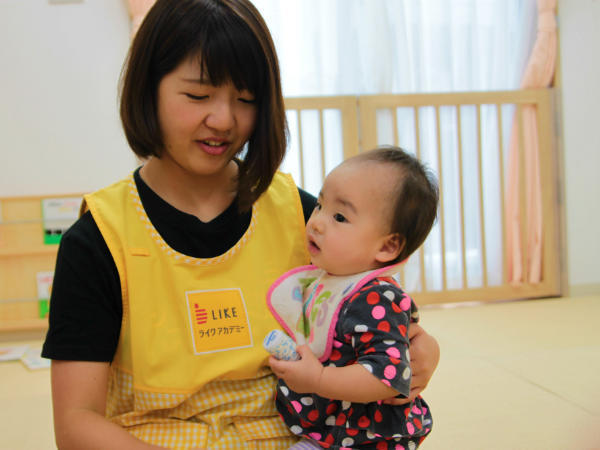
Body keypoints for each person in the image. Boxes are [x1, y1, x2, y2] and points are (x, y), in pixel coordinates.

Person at [41, 1, 440, 448]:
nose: (224, 120)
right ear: (148, 88)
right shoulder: (100, 239)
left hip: (294, 437)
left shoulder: (303, 218)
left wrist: (425, 348)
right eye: (197, 96)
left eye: (246, 99)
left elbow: (380, 320)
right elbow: (77, 422)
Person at [266, 146, 438, 449]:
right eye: (319, 205)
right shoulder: (327, 278)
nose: (317, 221)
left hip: (368, 439)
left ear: (386, 247)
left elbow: (386, 377)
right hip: (330, 432)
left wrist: (317, 379)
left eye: (340, 217)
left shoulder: (375, 298)